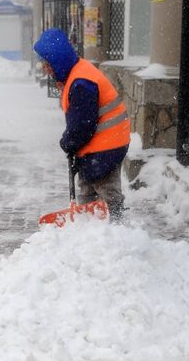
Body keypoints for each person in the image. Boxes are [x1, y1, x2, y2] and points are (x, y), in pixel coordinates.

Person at [33, 28, 131, 221]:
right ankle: (87, 222)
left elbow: (83, 125)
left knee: (106, 188)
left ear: (57, 60)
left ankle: (116, 228)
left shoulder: (81, 82)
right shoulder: (76, 72)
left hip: (108, 143)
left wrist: (68, 142)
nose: (44, 68)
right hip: (100, 141)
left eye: (47, 63)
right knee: (87, 184)